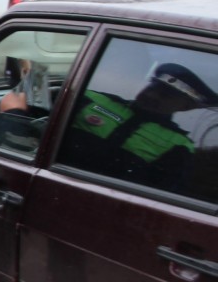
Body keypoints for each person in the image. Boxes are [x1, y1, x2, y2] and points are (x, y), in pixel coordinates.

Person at [57, 63, 216, 192]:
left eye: (165, 96)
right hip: (57, 182)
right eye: (153, 88)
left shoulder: (177, 145)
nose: (152, 95)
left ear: (185, 107)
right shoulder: (93, 99)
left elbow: (162, 197)